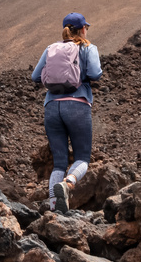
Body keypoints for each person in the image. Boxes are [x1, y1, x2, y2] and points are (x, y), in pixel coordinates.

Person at [31, 12, 102, 213]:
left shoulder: (51, 49)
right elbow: (95, 73)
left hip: (52, 107)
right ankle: (68, 183)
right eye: (85, 27)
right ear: (82, 29)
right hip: (77, 106)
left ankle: (55, 208)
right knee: (82, 158)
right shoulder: (88, 48)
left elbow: (35, 76)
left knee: (59, 163)